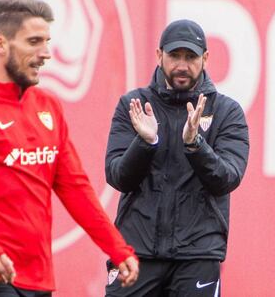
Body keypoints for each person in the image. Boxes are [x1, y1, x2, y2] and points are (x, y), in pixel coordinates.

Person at [0, 0, 139, 297]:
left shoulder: (48, 106)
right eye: (33, 42)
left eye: (46, 41)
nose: (46, 53)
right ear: (0, 45)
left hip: (37, 276)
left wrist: (118, 250)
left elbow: (74, 187)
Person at [104, 19, 249, 296]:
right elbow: (117, 176)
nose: (182, 65)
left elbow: (227, 178)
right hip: (137, 252)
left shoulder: (227, 112)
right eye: (174, 56)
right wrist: (145, 143)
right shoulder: (133, 105)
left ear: (205, 58)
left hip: (198, 255)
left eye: (191, 57)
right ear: (159, 56)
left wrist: (196, 145)